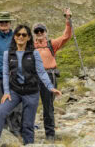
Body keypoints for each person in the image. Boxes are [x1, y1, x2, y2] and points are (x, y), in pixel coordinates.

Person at [0, 25, 62, 146]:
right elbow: (5, 74)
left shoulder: (34, 53)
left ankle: (29, 144)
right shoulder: (8, 54)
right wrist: (6, 92)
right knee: (1, 111)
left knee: (27, 124)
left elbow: (41, 72)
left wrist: (50, 87)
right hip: (15, 92)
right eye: (18, 34)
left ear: (28, 38)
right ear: (14, 37)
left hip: (31, 93)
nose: (21, 37)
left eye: (24, 35)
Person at [33, 8, 72, 141]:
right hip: (33, 77)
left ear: (45, 33)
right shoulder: (30, 45)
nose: (39, 33)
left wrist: (68, 19)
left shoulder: (51, 44)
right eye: (36, 31)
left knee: (48, 105)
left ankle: (50, 134)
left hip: (50, 76)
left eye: (41, 31)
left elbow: (66, 36)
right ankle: (26, 131)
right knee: (29, 103)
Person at [0, 12, 21, 136]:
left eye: (6, 22)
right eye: (1, 22)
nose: (3, 24)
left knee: (17, 104)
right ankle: (1, 129)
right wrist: (4, 70)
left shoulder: (17, 37)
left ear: (10, 23)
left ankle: (16, 129)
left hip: (15, 76)